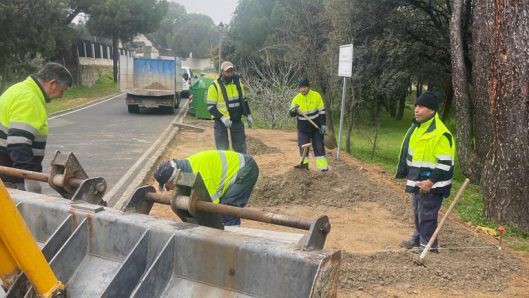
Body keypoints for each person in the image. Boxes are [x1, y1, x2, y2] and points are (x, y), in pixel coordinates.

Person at [395, 91, 456, 253]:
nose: (416, 109)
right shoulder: (417, 128)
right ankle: (417, 239)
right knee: (417, 211)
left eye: (421, 106)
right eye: (416, 105)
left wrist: (430, 182)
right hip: (417, 180)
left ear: (432, 110)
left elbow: (445, 164)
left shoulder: (441, 134)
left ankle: (428, 247)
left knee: (427, 214)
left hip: (433, 184)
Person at [0, 62, 73, 193]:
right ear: (52, 83)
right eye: (63, 90)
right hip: (11, 179)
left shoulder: (18, 89)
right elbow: (18, 145)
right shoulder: (30, 100)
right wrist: (31, 181)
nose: (61, 96)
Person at [154, 149, 259, 226]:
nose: (168, 190)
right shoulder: (186, 171)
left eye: (167, 186)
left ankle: (231, 240)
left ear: (173, 178)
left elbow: (211, 207)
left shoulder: (202, 177)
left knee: (226, 210)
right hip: (237, 168)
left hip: (245, 170)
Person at [207, 61, 253, 153]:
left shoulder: (238, 83)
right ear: (222, 72)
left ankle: (241, 166)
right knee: (222, 149)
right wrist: (222, 118)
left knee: (241, 148)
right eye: (227, 71)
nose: (230, 73)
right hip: (221, 122)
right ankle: (225, 167)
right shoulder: (214, 86)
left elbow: (243, 100)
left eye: (231, 71)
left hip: (236, 120)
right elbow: (210, 107)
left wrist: (248, 114)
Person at [289, 78, 328, 171]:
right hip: (303, 129)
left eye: (304, 87)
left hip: (316, 128)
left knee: (319, 147)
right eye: (301, 88)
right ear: (298, 89)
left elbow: (322, 112)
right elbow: (291, 114)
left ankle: (323, 169)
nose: (303, 89)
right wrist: (293, 110)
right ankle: (304, 168)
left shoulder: (316, 96)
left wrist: (323, 125)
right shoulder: (296, 99)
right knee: (303, 147)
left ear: (308, 87)